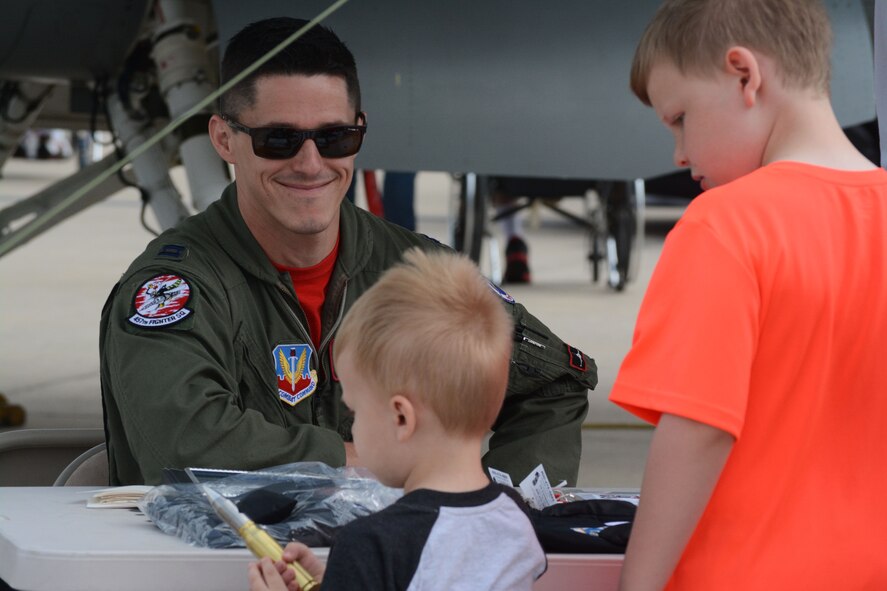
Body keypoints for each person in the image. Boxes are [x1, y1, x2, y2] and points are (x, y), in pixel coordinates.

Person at [99, 17, 596, 487]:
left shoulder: (416, 272)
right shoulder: (174, 290)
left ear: (360, 130)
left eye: (336, 137)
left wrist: (481, 512)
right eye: (279, 140)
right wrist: (371, 465)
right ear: (224, 140)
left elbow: (554, 382)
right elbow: (184, 447)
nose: (311, 163)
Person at [609, 0, 887, 589]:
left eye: (680, 117)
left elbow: (698, 430)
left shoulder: (724, 226)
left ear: (744, 75)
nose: (679, 154)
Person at [247, 248, 547, 591]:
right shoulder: (514, 516)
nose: (353, 429)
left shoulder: (372, 544)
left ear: (401, 417)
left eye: (356, 411)